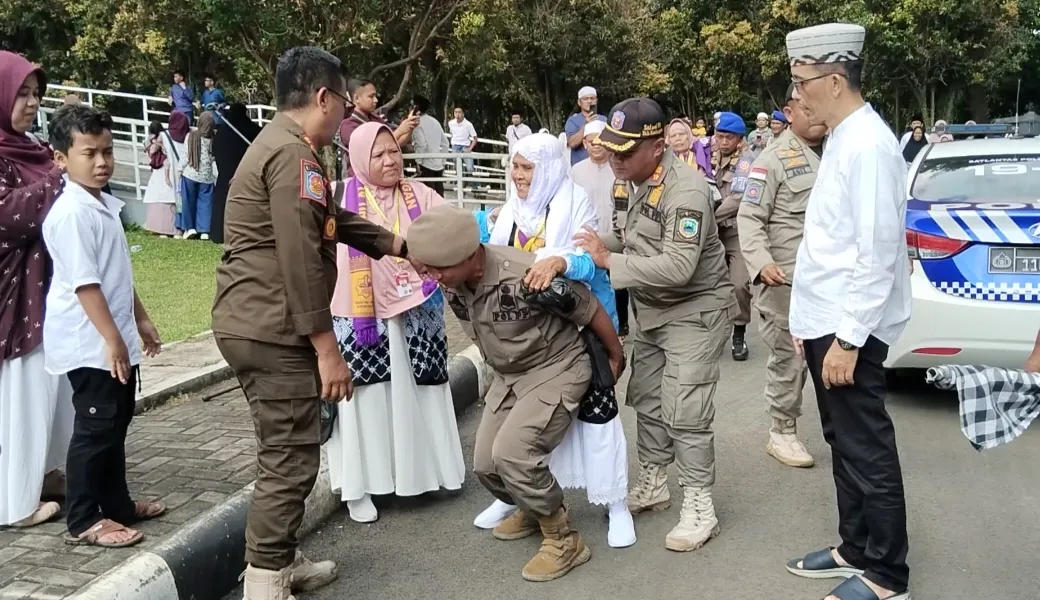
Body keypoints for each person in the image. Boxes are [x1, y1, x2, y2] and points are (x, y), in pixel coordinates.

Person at [211, 46, 415, 598]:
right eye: (345, 101)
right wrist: (328, 349)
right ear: (324, 98)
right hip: (273, 326)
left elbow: (330, 219)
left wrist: (397, 245)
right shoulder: (292, 156)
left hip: (256, 320)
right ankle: (265, 584)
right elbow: (301, 257)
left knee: (282, 450)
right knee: (290, 458)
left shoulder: (284, 146)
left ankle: (280, 559)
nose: (346, 112)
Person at [409, 204, 624, 581]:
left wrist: (615, 355)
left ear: (469, 256)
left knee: (514, 454)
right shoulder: (452, 279)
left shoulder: (525, 275)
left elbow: (589, 309)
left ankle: (563, 539)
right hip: (511, 374)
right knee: (486, 465)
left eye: (439, 268)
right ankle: (532, 505)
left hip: (557, 367)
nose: (433, 276)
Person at [784, 23, 912, 600]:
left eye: (802, 82)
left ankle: (887, 574)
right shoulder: (842, 136)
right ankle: (855, 547)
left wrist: (850, 338)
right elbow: (828, 243)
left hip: (848, 326)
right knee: (842, 439)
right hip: (827, 321)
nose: (797, 95)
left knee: (866, 446)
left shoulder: (869, 145)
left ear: (835, 81)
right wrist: (805, 323)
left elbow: (877, 251)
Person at [577, 98, 734, 553]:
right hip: (651, 312)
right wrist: (591, 244)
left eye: (625, 152)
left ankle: (700, 504)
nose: (615, 159)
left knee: (686, 411)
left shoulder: (687, 191)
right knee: (646, 398)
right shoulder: (630, 181)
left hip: (694, 311)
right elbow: (631, 236)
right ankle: (654, 481)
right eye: (613, 150)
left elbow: (680, 266)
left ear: (657, 146)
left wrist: (608, 261)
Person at [470, 132, 635, 549]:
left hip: (583, 328)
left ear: (547, 169)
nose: (519, 175)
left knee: (598, 421)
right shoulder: (510, 211)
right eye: (515, 166)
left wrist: (560, 260)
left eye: (527, 168)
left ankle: (616, 505)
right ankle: (525, 503)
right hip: (531, 338)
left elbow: (589, 261)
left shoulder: (575, 201)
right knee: (531, 430)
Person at [325, 122, 465, 523]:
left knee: (419, 394)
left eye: (394, 151)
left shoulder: (421, 194)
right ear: (358, 158)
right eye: (379, 154)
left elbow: (454, 229)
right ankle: (361, 489)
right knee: (367, 399)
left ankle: (425, 476)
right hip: (362, 315)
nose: (390, 160)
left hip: (415, 310)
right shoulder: (339, 197)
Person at [42, 104, 166, 548]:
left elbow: (116, 275)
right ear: (61, 159)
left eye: (107, 151)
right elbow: (86, 285)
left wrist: (140, 318)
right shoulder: (72, 214)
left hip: (113, 337)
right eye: (89, 153)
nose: (102, 162)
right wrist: (113, 339)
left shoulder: (102, 205)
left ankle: (117, 503)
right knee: (95, 430)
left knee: (116, 423)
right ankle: (83, 518)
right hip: (90, 342)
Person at [0, 51, 74, 530]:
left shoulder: (35, 149)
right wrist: (58, 179)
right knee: (24, 392)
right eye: (20, 94)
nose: (31, 103)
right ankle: (15, 502)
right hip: (15, 293)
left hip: (47, 287)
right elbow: (8, 217)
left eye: (36, 94)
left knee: (55, 386)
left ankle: (47, 474)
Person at [737, 82, 827, 469]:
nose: (816, 114)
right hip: (785, 281)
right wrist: (761, 263)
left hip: (832, 280)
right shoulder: (772, 159)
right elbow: (749, 217)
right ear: (788, 113)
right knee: (790, 359)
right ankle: (782, 430)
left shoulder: (841, 152)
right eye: (807, 108)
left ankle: (841, 428)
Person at [571, 121, 632, 337]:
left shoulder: (619, 168)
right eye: (591, 142)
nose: (596, 146)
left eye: (599, 142)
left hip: (616, 234)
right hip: (588, 236)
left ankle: (622, 326)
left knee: (619, 280)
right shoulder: (576, 171)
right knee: (594, 283)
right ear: (585, 144)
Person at [711, 111, 755, 361]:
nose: (724, 141)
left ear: (739, 139)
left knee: (739, 285)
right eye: (720, 136)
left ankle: (739, 332)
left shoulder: (745, 161)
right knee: (709, 284)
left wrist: (709, 216)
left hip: (736, 231)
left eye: (729, 137)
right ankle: (713, 332)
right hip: (712, 233)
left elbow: (738, 199)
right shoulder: (707, 156)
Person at [338, 78, 419, 177]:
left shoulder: (376, 119)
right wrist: (400, 130)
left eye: (375, 96)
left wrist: (410, 127)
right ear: (356, 98)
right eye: (371, 96)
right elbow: (373, 147)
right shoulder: (348, 125)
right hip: (360, 180)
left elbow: (397, 143)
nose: (376, 100)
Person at [211, 103, 261, 244]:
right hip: (244, 172)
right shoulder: (252, 129)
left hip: (225, 172)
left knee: (222, 201)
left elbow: (215, 149)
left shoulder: (223, 131)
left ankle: (218, 233)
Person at [179, 111, 218, 240]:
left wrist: (179, 169)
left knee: (188, 201)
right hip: (207, 176)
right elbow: (213, 158)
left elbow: (185, 155)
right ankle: (204, 230)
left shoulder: (191, 136)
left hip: (190, 173)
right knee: (206, 204)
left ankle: (190, 228)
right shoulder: (213, 138)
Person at [142, 120, 178, 236]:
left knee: (156, 196)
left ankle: (155, 226)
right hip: (165, 168)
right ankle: (171, 228)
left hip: (157, 170)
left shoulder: (149, 139)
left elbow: (150, 151)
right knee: (168, 194)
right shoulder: (164, 137)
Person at [409, 95, 449, 196]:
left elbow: (422, 145)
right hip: (438, 165)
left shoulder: (417, 123)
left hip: (425, 165)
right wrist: (442, 161)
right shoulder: (435, 121)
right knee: (439, 195)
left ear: (415, 107)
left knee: (428, 197)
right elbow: (445, 144)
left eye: (411, 105)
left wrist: (418, 162)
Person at [565, 86, 608, 166]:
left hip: (603, 165)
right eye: (585, 99)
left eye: (592, 98)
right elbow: (572, 143)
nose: (589, 101)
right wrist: (586, 125)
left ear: (596, 100)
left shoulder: (604, 120)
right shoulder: (573, 121)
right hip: (581, 167)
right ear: (579, 102)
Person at [449, 106, 479, 186]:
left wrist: (470, 148)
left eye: (459, 112)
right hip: (455, 147)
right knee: (458, 169)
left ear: (463, 114)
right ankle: (461, 185)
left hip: (465, 147)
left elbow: (475, 138)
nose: (457, 114)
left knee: (470, 168)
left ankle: (475, 186)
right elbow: (452, 134)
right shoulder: (451, 123)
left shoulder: (468, 124)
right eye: (456, 112)